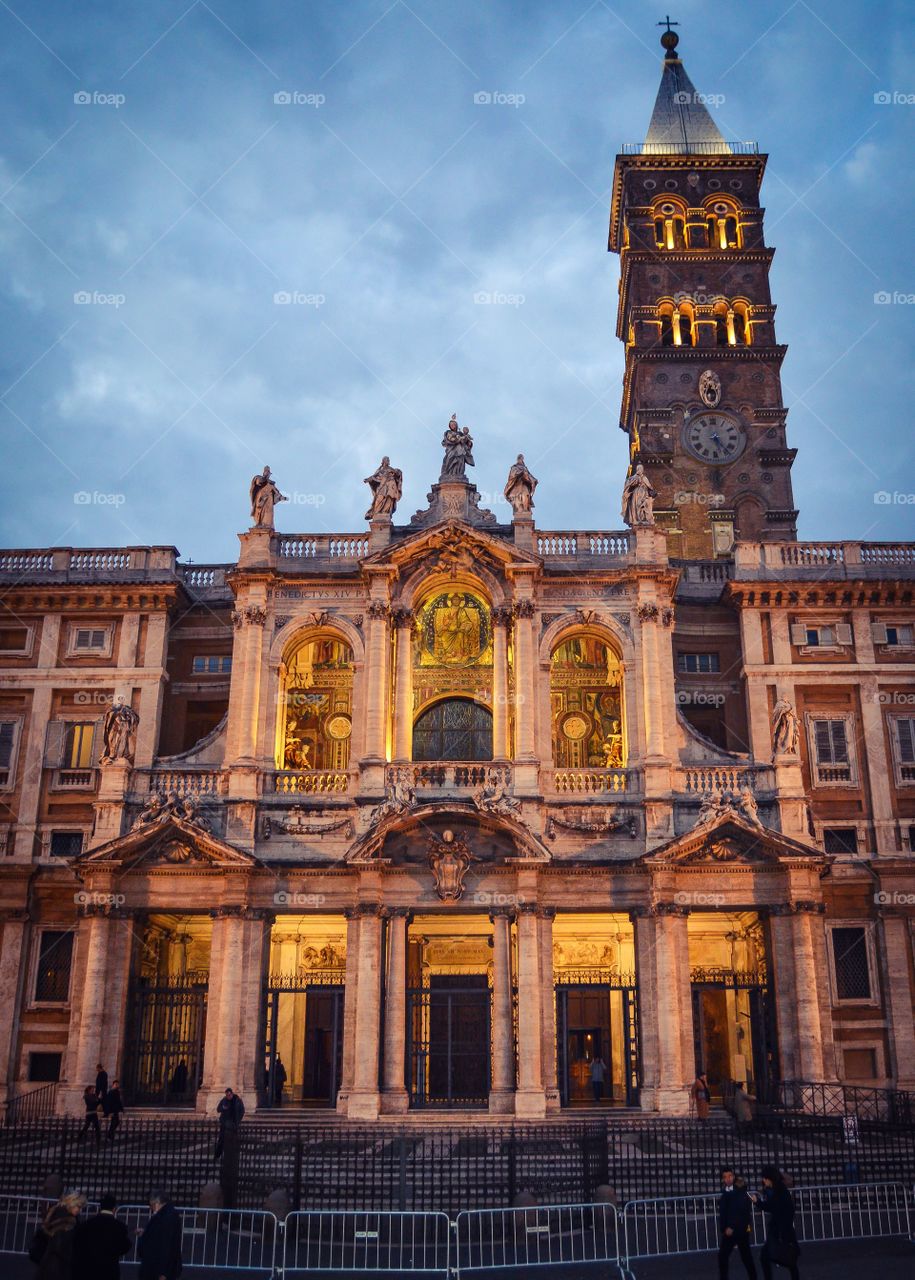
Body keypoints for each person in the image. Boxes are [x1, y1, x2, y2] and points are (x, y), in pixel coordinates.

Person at [753, 1166, 800, 1280]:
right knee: (770, 1258)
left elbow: (772, 1207)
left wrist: (757, 1202)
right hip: (780, 1231)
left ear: (771, 1179)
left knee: (788, 1261)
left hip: (781, 1232)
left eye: (765, 1178)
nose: (763, 1181)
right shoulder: (778, 1190)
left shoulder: (780, 1192)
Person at [73, 1192, 131, 1280]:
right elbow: (124, 1247)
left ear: (100, 1207)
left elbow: (78, 1245)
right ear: (114, 1209)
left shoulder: (87, 1224)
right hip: (109, 1270)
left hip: (89, 1269)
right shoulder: (120, 1227)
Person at [34, 1190, 87, 1280]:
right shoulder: (67, 1221)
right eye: (79, 1206)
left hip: (49, 1262)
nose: (79, 1210)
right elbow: (60, 1244)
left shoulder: (56, 1213)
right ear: (72, 1203)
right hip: (60, 1265)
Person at [718, 1166, 758, 1279]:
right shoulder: (728, 1191)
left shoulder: (739, 1191)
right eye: (725, 1177)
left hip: (737, 1229)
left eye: (730, 1176)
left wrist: (729, 1226)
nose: (728, 1179)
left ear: (733, 1176)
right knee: (744, 1256)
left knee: (726, 1256)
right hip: (737, 1228)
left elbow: (738, 1210)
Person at [137, 1190, 182, 1280]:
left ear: (156, 1203)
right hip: (159, 1266)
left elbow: (167, 1245)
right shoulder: (168, 1215)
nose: (150, 1208)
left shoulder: (165, 1218)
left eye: (151, 1205)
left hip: (156, 1267)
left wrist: (163, 1272)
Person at [215, 1087, 245, 1158]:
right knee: (222, 1139)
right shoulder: (224, 1100)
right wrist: (223, 1108)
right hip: (225, 1122)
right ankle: (217, 1155)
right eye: (226, 1095)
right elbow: (218, 1109)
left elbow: (242, 1110)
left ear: (232, 1094)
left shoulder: (237, 1100)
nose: (228, 1097)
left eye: (229, 1095)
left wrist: (238, 1119)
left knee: (234, 1139)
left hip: (234, 1123)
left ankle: (234, 1154)